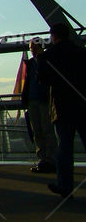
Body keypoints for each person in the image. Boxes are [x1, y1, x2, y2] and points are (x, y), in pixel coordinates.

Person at [37, 23, 86, 198]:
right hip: (82, 105)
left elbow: (43, 80)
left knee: (65, 148)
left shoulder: (48, 56)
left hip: (62, 107)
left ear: (53, 36)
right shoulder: (81, 53)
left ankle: (65, 186)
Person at [22, 39, 57, 174]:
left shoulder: (44, 61)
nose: (32, 50)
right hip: (35, 99)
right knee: (38, 130)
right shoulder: (32, 63)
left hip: (42, 99)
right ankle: (45, 159)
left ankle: (49, 159)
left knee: (45, 130)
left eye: (33, 47)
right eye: (31, 47)